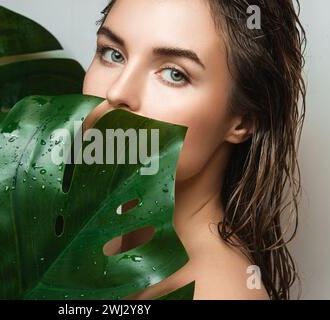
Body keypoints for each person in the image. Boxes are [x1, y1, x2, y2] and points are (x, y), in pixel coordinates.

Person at [81, 0, 306, 300]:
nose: (117, 92)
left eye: (175, 74)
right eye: (113, 54)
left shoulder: (221, 294)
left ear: (243, 121)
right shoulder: (94, 242)